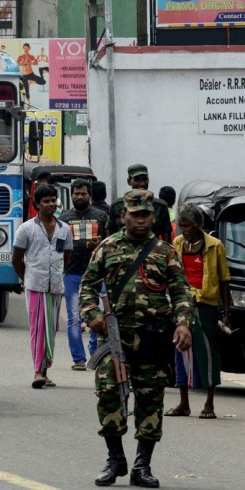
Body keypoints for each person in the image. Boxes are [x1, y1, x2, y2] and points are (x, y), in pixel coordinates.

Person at [80, 189, 194, 488]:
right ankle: (115, 459)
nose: (141, 220)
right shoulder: (107, 248)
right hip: (114, 338)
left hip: (153, 339)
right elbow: (87, 286)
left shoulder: (165, 252)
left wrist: (183, 324)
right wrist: (93, 316)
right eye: (135, 214)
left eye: (146, 215)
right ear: (124, 216)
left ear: (153, 217)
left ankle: (142, 465)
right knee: (108, 394)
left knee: (150, 399)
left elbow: (182, 291)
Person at [165, 203, 231, 420]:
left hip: (207, 305)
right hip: (183, 303)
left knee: (208, 353)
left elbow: (224, 281)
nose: (184, 229)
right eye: (181, 225)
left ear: (199, 225)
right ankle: (184, 403)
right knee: (180, 351)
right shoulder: (177, 243)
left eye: (188, 226)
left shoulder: (215, 245)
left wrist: (225, 314)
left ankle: (209, 402)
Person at [12, 184, 72, 389]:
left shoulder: (64, 229)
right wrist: (27, 278)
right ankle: (37, 371)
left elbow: (67, 255)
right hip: (35, 285)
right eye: (46, 201)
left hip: (55, 286)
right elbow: (17, 259)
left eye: (53, 200)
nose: (50, 204)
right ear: (37, 204)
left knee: (51, 330)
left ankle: (45, 371)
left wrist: (57, 273)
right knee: (38, 329)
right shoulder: (26, 228)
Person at [58, 179, 107, 371]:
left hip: (97, 274)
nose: (80, 197)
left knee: (99, 315)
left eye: (83, 194)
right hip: (71, 274)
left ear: (89, 195)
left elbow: (110, 242)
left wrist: (100, 243)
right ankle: (78, 359)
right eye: (77, 194)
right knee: (74, 318)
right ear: (71, 195)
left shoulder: (101, 216)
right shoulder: (63, 218)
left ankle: (95, 353)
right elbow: (58, 246)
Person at [106, 164, 172, 243]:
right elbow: (110, 237)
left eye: (144, 179)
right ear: (129, 181)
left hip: (153, 253)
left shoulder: (160, 206)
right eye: (137, 180)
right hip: (123, 253)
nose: (142, 184)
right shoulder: (117, 206)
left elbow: (167, 239)